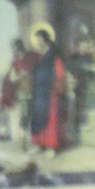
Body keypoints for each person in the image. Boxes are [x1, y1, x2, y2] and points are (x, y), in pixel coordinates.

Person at [28, 27, 68, 157]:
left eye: (40, 39)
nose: (39, 42)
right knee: (38, 117)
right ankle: (39, 144)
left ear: (45, 39)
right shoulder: (38, 55)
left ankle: (51, 147)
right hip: (38, 91)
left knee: (51, 118)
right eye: (37, 40)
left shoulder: (53, 53)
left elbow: (59, 71)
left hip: (50, 91)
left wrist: (57, 87)